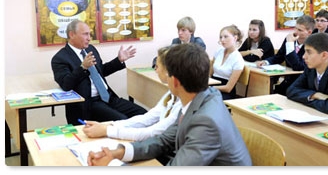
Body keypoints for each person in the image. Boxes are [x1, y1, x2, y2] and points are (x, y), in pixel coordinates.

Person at [87, 43, 252, 166]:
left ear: (174, 81)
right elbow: (163, 140)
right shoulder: (200, 97)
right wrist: (118, 153)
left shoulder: (206, 122)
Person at [51, 19, 147, 125]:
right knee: (122, 121)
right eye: (85, 34)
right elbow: (66, 84)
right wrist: (82, 67)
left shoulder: (90, 49)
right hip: (89, 103)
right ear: (72, 34)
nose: (89, 38)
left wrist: (119, 60)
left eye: (89, 34)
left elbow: (101, 71)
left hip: (108, 98)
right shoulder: (60, 58)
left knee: (144, 115)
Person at [82, 46, 182, 141]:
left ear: (168, 71)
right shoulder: (170, 94)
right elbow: (147, 119)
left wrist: (106, 130)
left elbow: (151, 132)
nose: (155, 69)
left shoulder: (182, 102)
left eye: (157, 66)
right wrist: (109, 126)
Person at [286, 33, 328, 115]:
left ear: (324, 55)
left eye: (309, 52)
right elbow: (291, 91)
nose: (304, 56)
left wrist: (306, 100)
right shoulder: (311, 67)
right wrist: (314, 95)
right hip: (317, 114)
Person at [257, 15, 316, 95]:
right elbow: (279, 57)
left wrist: (290, 44)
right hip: (288, 81)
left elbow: (298, 66)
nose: (295, 32)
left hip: (302, 84)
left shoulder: (312, 45)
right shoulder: (289, 39)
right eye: (295, 28)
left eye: (300, 30)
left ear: (309, 32)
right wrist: (266, 62)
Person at [211, 25, 245, 100]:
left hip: (225, 91)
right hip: (213, 85)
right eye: (221, 37)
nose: (222, 40)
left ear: (235, 38)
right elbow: (210, 74)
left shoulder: (238, 59)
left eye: (226, 37)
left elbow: (228, 88)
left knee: (205, 99)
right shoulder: (218, 51)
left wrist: (209, 88)